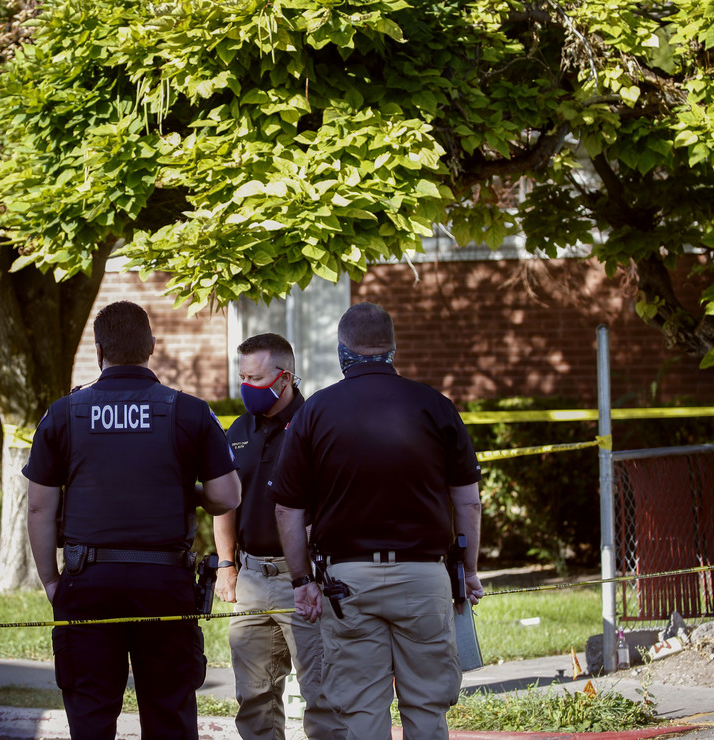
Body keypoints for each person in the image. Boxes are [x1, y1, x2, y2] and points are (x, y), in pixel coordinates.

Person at [24, 300, 242, 740]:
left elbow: (39, 508)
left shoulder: (63, 414)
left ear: (99, 351)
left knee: (90, 712)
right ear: (152, 347)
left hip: (88, 583)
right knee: (169, 714)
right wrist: (188, 492)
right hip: (164, 585)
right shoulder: (190, 412)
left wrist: (52, 582)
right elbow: (226, 496)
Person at [270, 302, 484, 740]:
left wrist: (301, 581)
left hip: (347, 582)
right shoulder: (435, 406)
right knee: (427, 706)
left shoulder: (314, 412)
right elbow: (469, 502)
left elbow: (288, 509)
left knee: (361, 709)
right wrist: (469, 570)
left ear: (342, 349)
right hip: (424, 577)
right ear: (392, 347)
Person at [213, 334, 344, 740]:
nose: (245, 386)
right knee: (254, 697)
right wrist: (226, 564)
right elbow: (225, 503)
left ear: (284, 378)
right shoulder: (237, 429)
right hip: (251, 576)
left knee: (322, 695)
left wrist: (312, 574)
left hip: (303, 579)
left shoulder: (316, 424)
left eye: (254, 378)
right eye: (242, 377)